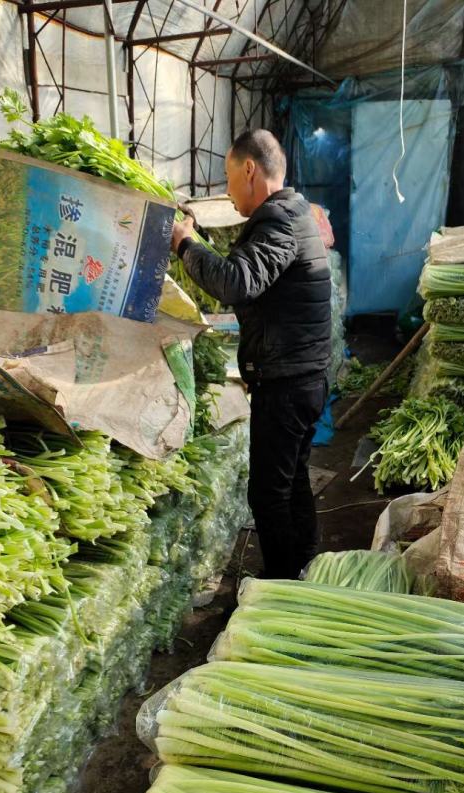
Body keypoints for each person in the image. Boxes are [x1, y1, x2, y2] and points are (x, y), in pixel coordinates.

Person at [171, 129, 331, 580]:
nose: (226, 190)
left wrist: (185, 243)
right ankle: (305, 565)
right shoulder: (293, 212)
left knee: (268, 494)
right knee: (292, 478)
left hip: (288, 382)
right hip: (301, 375)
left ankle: (280, 589)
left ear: (249, 169)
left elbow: (238, 282)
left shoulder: (279, 221)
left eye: (228, 176)